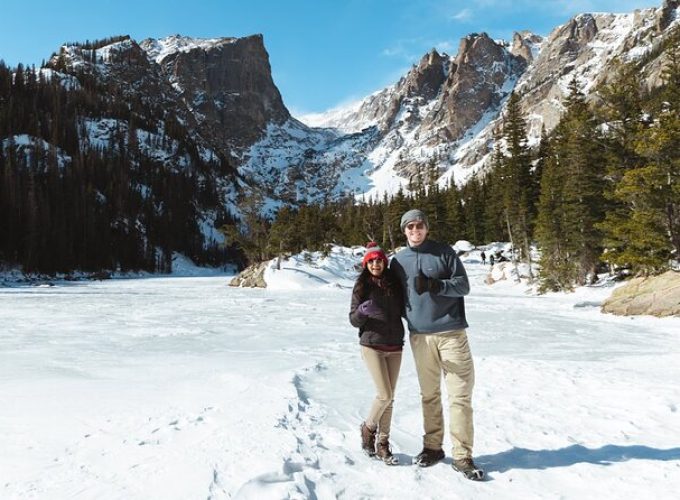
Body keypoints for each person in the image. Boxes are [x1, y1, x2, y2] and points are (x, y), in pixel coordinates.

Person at [390, 209, 484, 481]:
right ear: (404, 230)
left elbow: (463, 286)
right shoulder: (398, 261)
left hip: (451, 334)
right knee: (429, 395)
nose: (415, 230)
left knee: (460, 396)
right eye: (410, 227)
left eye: (419, 225)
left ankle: (463, 455)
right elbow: (393, 296)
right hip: (419, 336)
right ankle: (432, 447)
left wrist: (435, 285)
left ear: (426, 228)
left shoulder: (444, 253)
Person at [349, 242, 405, 465]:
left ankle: (383, 444)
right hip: (371, 344)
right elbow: (353, 320)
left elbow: (406, 309)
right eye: (370, 261)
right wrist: (362, 311)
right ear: (366, 264)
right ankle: (368, 428)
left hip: (395, 345)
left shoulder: (394, 284)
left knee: (390, 398)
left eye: (378, 260)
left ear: (384, 261)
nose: (375, 264)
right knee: (384, 394)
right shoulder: (362, 286)